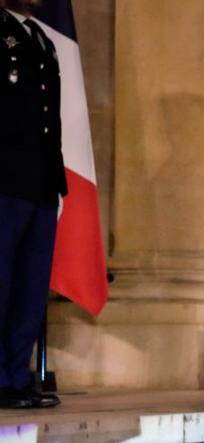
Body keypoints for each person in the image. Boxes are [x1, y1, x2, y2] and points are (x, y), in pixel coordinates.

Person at [0, 0, 62, 409]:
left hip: (40, 184)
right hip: (4, 180)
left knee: (31, 288)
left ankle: (16, 377)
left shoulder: (41, 39)